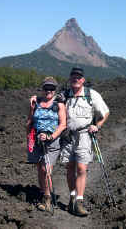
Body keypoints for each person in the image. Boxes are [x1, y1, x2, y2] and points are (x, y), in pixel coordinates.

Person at [61, 67, 110, 217]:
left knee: (81, 168)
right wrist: (35, 99)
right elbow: (47, 101)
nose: (76, 79)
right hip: (67, 136)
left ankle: (79, 202)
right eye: (73, 76)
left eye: (79, 77)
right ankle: (72, 198)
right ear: (70, 79)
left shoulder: (91, 95)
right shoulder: (63, 95)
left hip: (84, 136)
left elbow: (105, 112)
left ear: (83, 80)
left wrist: (98, 125)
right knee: (70, 168)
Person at [27, 76, 66, 212]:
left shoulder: (59, 104)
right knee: (40, 169)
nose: (48, 91)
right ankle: (44, 194)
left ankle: (48, 198)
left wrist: (51, 136)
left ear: (55, 90)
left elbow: (63, 124)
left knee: (46, 170)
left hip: (52, 142)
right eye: (46, 88)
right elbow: (30, 120)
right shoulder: (35, 102)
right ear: (42, 89)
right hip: (37, 140)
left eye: (51, 88)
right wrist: (30, 139)